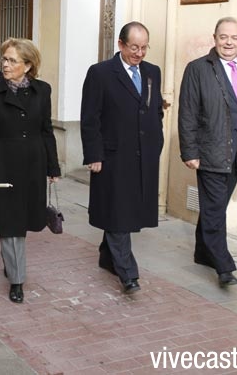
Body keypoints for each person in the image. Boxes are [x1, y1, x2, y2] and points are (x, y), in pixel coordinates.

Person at [178, 17, 237, 287]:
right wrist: (189, 151)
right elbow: (187, 113)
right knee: (215, 210)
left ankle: (202, 252)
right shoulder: (197, 69)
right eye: (223, 37)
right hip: (210, 151)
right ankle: (224, 266)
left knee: (214, 207)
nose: (229, 42)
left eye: (234, 38)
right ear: (215, 38)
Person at [0, 39, 60, 303]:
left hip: (33, 164)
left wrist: (52, 166)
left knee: (21, 221)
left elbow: (46, 130)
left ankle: (11, 263)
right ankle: (17, 280)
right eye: (4, 59)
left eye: (12, 60)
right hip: (3, 165)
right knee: (10, 223)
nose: (5, 65)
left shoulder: (43, 91)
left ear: (28, 65)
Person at [80, 21, 163, 294]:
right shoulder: (101, 73)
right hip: (113, 156)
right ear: (120, 44)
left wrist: (157, 140)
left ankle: (107, 257)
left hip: (143, 155)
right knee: (118, 211)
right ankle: (128, 272)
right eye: (134, 47)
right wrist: (94, 154)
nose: (139, 53)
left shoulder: (152, 72)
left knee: (124, 209)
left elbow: (155, 110)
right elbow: (90, 119)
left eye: (144, 47)